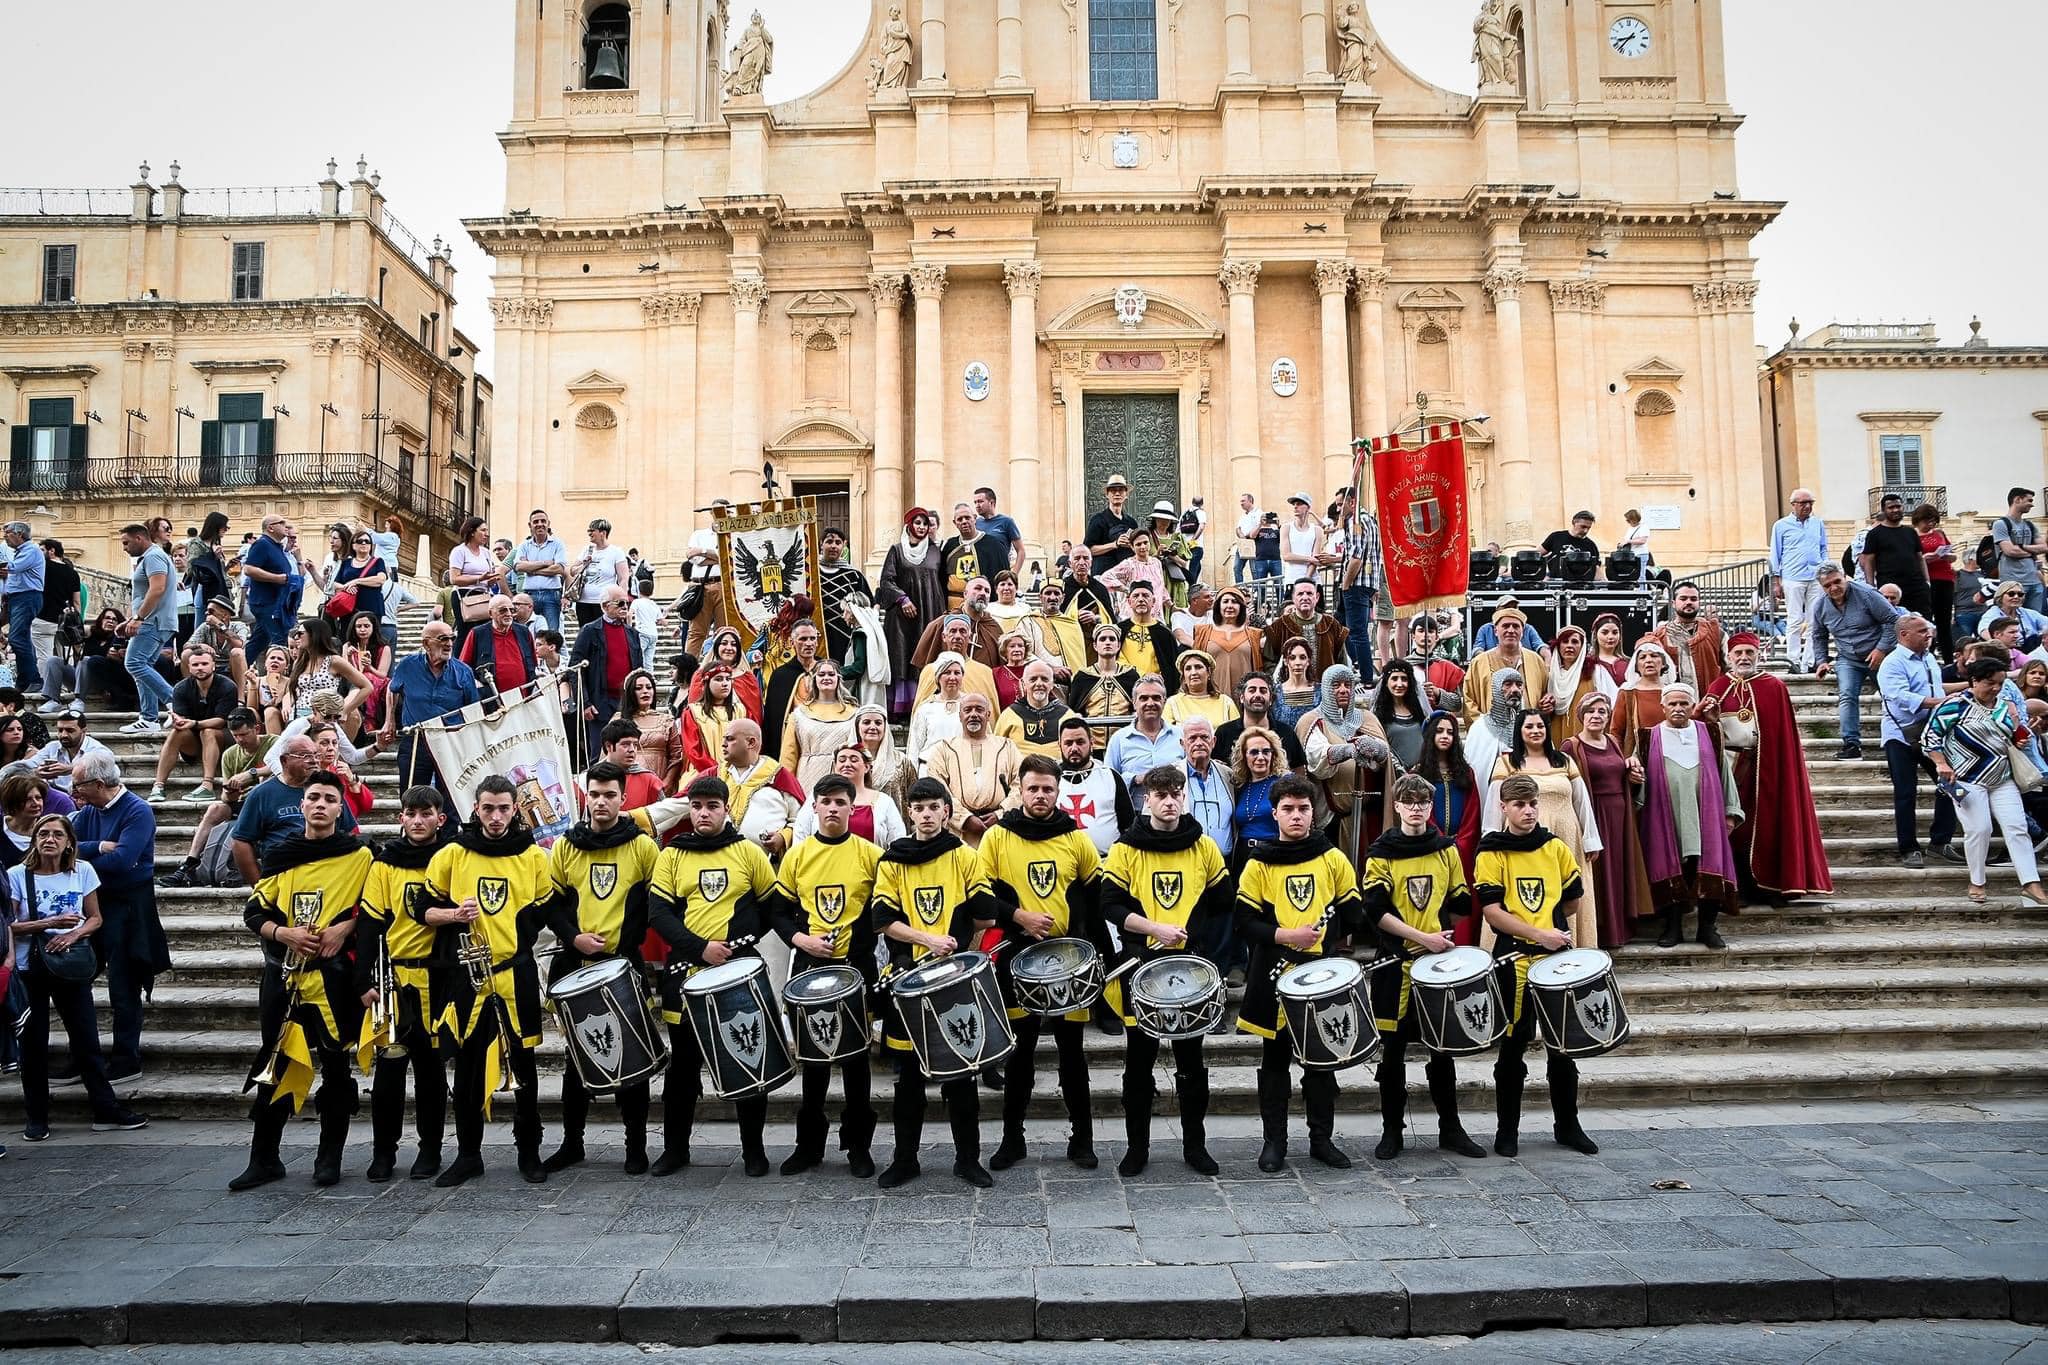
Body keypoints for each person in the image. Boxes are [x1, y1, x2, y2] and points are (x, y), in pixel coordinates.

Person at [229, 772, 371, 1190]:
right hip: (286, 976)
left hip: (334, 980)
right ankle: (264, 1158)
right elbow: (255, 913)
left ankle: (330, 1159)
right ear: (304, 804)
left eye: (330, 798)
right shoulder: (280, 856)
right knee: (273, 1064)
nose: (322, 804)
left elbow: (377, 907)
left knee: (335, 1067)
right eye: (314, 797)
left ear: (341, 807)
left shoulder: (361, 857)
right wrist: (284, 933)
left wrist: (344, 929)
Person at [418, 775, 555, 1187]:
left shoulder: (532, 855)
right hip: (467, 975)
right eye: (488, 808)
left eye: (504, 808)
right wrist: (453, 916)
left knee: (525, 1067)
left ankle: (529, 1153)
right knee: (468, 1067)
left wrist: (516, 937)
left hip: (515, 973)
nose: (496, 817)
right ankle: (468, 1155)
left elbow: (544, 909)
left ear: (515, 810)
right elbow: (423, 907)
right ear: (475, 809)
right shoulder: (453, 852)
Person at [1099, 765, 1232, 1176]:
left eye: (1176, 793)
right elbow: (1110, 905)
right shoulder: (1126, 849)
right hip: (1142, 967)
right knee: (1139, 1065)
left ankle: (1195, 1146)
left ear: (1184, 797)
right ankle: (1136, 1148)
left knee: (1191, 1064)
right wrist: (1154, 928)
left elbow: (1223, 901)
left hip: (1189, 968)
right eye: (1161, 795)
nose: (1170, 801)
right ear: (1147, 800)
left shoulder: (1204, 847)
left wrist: (1197, 941)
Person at [977, 755, 1107, 1171]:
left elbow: (1095, 895)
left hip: (1068, 961)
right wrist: (1018, 917)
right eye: (1033, 788)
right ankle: (1012, 1139)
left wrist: (1084, 943)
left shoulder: (1075, 838)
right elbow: (979, 897)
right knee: (1021, 1053)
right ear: (1020, 788)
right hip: (1017, 957)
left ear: (1057, 790)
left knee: (1073, 1054)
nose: (1040, 795)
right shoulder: (998, 837)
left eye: (1048, 789)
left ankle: (1082, 1139)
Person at [871, 777, 1002, 1188]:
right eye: (919, 807)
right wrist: (927, 938)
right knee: (908, 1079)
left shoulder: (964, 857)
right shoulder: (892, 860)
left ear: (947, 811)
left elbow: (985, 914)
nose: (926, 815)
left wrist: (960, 931)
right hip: (907, 977)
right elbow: (882, 921)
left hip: (952, 981)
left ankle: (968, 1159)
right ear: (909, 812)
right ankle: (905, 1159)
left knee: (962, 1074)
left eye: (934, 807)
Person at [1233, 773, 1366, 1172]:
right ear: (1274, 814)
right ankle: (1274, 1143)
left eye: (1303, 809)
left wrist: (1327, 934)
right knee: (1274, 1065)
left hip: (1321, 974)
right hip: (1272, 975)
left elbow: (1353, 912)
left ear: (1313, 813)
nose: (1296, 816)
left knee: (1321, 1064)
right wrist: (1287, 934)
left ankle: (1321, 1140)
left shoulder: (1332, 857)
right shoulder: (1258, 863)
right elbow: (1243, 922)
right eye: (1288, 809)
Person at [538, 761, 661, 1176]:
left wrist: (626, 945)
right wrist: (573, 938)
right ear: (585, 796)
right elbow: (552, 904)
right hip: (574, 963)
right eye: (595, 794)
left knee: (634, 1061)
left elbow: (655, 905)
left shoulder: (643, 846)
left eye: (610, 794)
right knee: (576, 1061)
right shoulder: (566, 846)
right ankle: (573, 1143)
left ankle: (636, 1146)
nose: (602, 801)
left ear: (623, 798)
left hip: (623, 966)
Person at [765, 772, 882, 1177]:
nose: (833, 808)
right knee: (813, 1063)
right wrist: (802, 940)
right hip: (810, 968)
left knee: (856, 1064)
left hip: (856, 971)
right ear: (813, 806)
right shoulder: (797, 855)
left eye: (840, 801)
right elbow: (777, 912)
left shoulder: (870, 855)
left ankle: (858, 1147)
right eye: (825, 801)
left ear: (853, 807)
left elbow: (883, 911)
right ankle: (808, 1147)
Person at [1475, 773, 1598, 1158]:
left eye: (1532, 805)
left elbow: (1573, 902)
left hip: (1555, 963)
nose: (1528, 811)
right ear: (1504, 807)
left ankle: (1568, 1126)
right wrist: (1538, 932)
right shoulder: (1491, 852)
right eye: (1519, 805)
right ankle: (1506, 1130)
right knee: (1512, 1048)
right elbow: (1493, 912)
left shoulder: (1555, 848)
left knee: (1563, 1046)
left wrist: (1550, 933)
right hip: (1513, 961)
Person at [1363, 773, 1484, 1162]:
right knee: (1392, 1053)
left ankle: (1451, 1129)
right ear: (1397, 806)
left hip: (1437, 965)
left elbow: (1461, 899)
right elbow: (1376, 912)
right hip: (1395, 964)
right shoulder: (1380, 852)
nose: (1416, 808)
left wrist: (1464, 899)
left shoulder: (1445, 849)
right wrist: (1422, 935)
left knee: (1442, 1049)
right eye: (1409, 802)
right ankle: (1391, 1132)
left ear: (1430, 808)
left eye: (1423, 803)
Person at [9, 813, 149, 1142]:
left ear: (69, 841)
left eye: (57, 834)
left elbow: (95, 917)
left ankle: (105, 1109)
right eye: (43, 833)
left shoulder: (82, 871)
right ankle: (36, 1116)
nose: (50, 840)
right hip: (31, 968)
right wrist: (48, 923)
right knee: (33, 1044)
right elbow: (9, 925)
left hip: (71, 965)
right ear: (34, 839)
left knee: (86, 1040)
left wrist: (73, 934)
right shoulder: (18, 875)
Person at [353, 784, 454, 1182]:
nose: (418, 821)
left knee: (432, 1073)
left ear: (440, 819)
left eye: (426, 814)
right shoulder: (384, 864)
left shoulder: (451, 859)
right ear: (401, 818)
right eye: (410, 814)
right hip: (395, 981)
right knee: (389, 1074)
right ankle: (384, 1152)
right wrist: (364, 978)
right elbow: (370, 925)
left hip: (436, 980)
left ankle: (430, 1149)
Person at [1706, 632, 1834, 900]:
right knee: (1731, 827)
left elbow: (1782, 737)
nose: (1743, 658)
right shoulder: (1718, 687)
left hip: (1765, 767)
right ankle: (1732, 885)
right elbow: (1706, 731)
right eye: (1738, 653)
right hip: (1728, 771)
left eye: (1748, 653)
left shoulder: (1773, 687)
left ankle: (1768, 886)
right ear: (1729, 657)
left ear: (1758, 655)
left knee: (1765, 826)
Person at [68, 751, 170, 1086]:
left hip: (129, 907)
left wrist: (82, 859)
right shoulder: (90, 811)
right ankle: (81, 1055)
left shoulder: (136, 810)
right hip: (99, 903)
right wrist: (99, 846)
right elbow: (67, 846)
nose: (74, 791)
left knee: (123, 985)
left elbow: (124, 860)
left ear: (98, 783)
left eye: (79, 784)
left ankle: (127, 1057)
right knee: (76, 978)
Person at [1925, 658, 2048, 904]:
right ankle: (1977, 881)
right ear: (1974, 680)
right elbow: (1930, 737)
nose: (1995, 688)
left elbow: (2012, 738)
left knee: (2017, 828)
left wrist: (2020, 740)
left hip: (2002, 777)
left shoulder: (2004, 706)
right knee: (1979, 829)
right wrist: (1941, 764)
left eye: (2000, 683)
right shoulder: (1953, 705)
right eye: (1990, 683)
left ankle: (2031, 883)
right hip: (1966, 778)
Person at [1480, 709, 1603, 950]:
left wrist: (1591, 840)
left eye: (1540, 726)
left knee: (1567, 893)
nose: (1536, 731)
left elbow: (1581, 801)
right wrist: (1490, 839)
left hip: (1566, 838)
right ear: (1520, 731)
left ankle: (1571, 949)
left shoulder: (1564, 761)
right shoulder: (1506, 763)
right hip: (1518, 844)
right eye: (1529, 727)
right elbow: (1495, 804)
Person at [1636, 683, 1742, 949]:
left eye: (1684, 703)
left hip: (1707, 815)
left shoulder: (1710, 733)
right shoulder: (1648, 737)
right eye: (1672, 704)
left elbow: (1724, 774)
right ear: (1663, 707)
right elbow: (1638, 777)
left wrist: (1730, 812)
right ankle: (1673, 928)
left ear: (1692, 706)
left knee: (1710, 867)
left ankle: (1708, 928)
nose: (1678, 709)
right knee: (1670, 867)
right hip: (1664, 816)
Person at [1561, 694, 1652, 945]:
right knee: (1598, 874)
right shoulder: (1571, 746)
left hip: (1620, 816)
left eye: (1602, 711)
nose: (1596, 716)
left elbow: (1622, 776)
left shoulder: (1613, 741)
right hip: (1593, 815)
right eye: (1591, 711)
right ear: (1581, 715)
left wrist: (1633, 774)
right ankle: (1598, 931)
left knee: (1618, 871)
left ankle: (1619, 929)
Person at [1813, 562, 1901, 760]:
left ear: (1844, 577)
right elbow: (1818, 635)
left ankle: (1904, 738)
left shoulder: (1868, 594)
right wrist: (1821, 661)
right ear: (1822, 586)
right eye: (1828, 585)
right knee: (1846, 695)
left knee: (1894, 696)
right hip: (1848, 658)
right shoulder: (1820, 606)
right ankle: (1851, 745)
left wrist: (1881, 649)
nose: (1834, 588)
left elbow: (1892, 620)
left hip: (1879, 654)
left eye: (1837, 581)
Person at [381, 623, 481, 794]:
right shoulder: (408, 665)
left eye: (452, 638)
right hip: (416, 740)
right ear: (426, 644)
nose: (449, 644)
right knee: (412, 795)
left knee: (451, 799)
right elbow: (392, 688)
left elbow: (474, 711)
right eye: (443, 639)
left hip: (451, 741)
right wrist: (389, 720)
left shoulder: (464, 672)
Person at [1301, 663, 1389, 857]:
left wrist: (1375, 748)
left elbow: (1386, 759)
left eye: (1347, 685)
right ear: (1325, 688)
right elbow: (1317, 758)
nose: (1343, 690)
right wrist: (1348, 750)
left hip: (1371, 814)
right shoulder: (1312, 721)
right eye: (1336, 685)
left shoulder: (1367, 719)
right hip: (1332, 818)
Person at [146, 646, 239, 804]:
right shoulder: (181, 688)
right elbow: (182, 719)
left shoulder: (227, 686)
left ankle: (207, 785)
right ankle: (158, 786)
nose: (200, 668)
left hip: (223, 740)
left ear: (213, 665)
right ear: (189, 667)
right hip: (194, 743)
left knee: (208, 731)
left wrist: (195, 723)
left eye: (204, 663)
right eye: (195, 665)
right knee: (176, 733)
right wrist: (179, 721)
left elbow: (222, 720)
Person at [925, 693, 1020, 848]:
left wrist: (1001, 814)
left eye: (979, 710)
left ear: (988, 715)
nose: (973, 714)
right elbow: (938, 789)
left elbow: (1021, 785)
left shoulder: (1007, 746)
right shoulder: (943, 749)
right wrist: (965, 819)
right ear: (960, 716)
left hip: (1001, 828)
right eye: (968, 710)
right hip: (956, 831)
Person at [876, 509, 945, 719]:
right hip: (901, 617)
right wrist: (902, 599)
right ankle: (900, 709)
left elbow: (942, 581)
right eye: (918, 522)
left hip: (929, 611)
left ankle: (922, 703)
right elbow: (887, 580)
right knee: (902, 655)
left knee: (924, 654)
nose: (922, 527)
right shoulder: (896, 551)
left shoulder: (935, 552)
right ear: (909, 525)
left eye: (925, 523)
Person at [114, 523, 180, 734]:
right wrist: (132, 618)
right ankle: (149, 718)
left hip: (153, 621)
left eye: (126, 542)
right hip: (155, 620)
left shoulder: (153, 556)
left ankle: (175, 703)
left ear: (139, 538)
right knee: (143, 666)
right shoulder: (153, 557)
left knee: (133, 662)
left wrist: (139, 618)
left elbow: (157, 588)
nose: (124, 548)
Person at [1419, 712, 1482, 887]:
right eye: (1439, 731)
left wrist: (1460, 842)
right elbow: (1421, 812)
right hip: (1430, 846)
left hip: (1462, 846)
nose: (1445, 736)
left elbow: (1472, 811)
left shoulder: (1466, 773)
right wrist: (1439, 839)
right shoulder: (1418, 775)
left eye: (1450, 732)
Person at [1057, 715, 1133, 857]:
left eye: (1080, 742)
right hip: (1064, 861)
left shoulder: (1110, 776)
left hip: (1107, 862)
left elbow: (1127, 825)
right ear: (1059, 745)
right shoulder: (1051, 780)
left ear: (1092, 743)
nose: (1074, 748)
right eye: (1068, 743)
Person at [1459, 608, 1549, 729]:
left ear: (1522, 631)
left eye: (1516, 626)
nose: (1511, 630)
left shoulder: (1536, 660)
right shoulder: (1479, 663)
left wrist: (1546, 703)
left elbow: (1545, 693)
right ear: (1496, 631)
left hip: (1529, 735)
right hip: (1491, 736)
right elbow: (1469, 701)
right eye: (1505, 626)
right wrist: (1485, 730)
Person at [780, 655, 859, 791]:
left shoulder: (854, 713)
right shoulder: (799, 714)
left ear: (838, 679)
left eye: (831, 674)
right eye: (821, 674)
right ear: (814, 679)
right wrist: (787, 789)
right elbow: (788, 756)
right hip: (808, 775)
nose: (826, 678)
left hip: (844, 774)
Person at [1769, 489, 1829, 669]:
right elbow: (1775, 554)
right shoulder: (1781, 525)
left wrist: (1825, 568)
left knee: (1814, 622)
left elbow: (1823, 547)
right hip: (1792, 577)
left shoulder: (1818, 523)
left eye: (1810, 502)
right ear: (1793, 504)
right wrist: (1775, 581)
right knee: (1794, 620)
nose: (1807, 506)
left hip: (1815, 577)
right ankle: (1793, 660)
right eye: (1803, 503)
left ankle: (1809, 661)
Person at [1106, 674, 1184, 802]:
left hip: (1174, 813)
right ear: (1134, 702)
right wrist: (1135, 779)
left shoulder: (1180, 735)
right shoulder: (1119, 739)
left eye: (1156, 698)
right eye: (1143, 698)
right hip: (1134, 816)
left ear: (1164, 701)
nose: (1150, 703)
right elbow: (1108, 781)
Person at [1068, 624, 1137, 752]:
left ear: (1118, 645)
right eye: (1102, 639)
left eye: (1112, 639)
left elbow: (1137, 709)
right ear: (1095, 645)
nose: (1107, 642)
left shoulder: (1130, 675)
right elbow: (1073, 710)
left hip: (1124, 745)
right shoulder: (1083, 677)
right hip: (1092, 746)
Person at [1264, 578, 1349, 679]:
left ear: (1317, 597)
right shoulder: (1278, 626)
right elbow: (1269, 661)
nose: (1305, 597)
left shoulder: (1331, 624)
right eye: (1300, 594)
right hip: (1290, 690)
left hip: (1325, 688)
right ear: (1293, 598)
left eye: (1309, 593)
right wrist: (1282, 682)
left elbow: (1342, 661)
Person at [460, 595, 540, 700]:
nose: (508, 614)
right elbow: (463, 667)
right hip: (492, 700)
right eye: (502, 610)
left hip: (524, 698)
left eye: (512, 610)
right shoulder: (478, 634)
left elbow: (534, 662)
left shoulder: (523, 631)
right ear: (490, 613)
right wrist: (477, 684)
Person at [996, 659, 1075, 762]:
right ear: (1024, 684)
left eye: (1044, 679)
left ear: (1052, 684)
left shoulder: (1068, 715)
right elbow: (997, 751)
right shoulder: (1008, 715)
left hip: (1058, 775)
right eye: (1033, 679)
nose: (1039, 683)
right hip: (1020, 775)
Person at [0, 521, 46, 699]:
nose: (5, 536)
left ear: (20, 534)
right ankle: (25, 680)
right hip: (16, 598)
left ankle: (33, 679)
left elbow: (11, 568)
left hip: (27, 597)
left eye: (8, 532)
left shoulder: (31, 550)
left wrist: (5, 569)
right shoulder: (19, 552)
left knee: (17, 638)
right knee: (22, 638)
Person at [1195, 586, 1262, 700]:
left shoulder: (1254, 634)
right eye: (1225, 601)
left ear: (1241, 606)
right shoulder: (1202, 632)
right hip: (1211, 697)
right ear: (1218, 606)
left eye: (1235, 602)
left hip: (1245, 698)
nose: (1230, 605)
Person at [1463, 667, 1526, 785]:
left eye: (1519, 685)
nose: (1515, 690)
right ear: (1496, 689)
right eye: (1508, 684)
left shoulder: (1528, 724)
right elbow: (1476, 770)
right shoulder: (1480, 728)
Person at [512, 508, 569, 633]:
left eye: (543, 521)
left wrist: (531, 569)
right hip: (529, 595)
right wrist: (545, 563)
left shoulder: (558, 544)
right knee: (527, 632)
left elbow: (559, 568)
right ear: (530, 525)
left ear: (548, 523)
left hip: (551, 595)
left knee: (551, 633)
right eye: (536, 521)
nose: (539, 524)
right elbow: (518, 567)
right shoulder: (524, 546)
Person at [569, 518, 631, 628]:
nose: (589, 533)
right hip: (583, 602)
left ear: (603, 533)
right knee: (586, 634)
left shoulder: (616, 552)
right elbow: (572, 570)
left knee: (604, 635)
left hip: (605, 603)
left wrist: (621, 601)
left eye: (592, 530)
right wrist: (583, 565)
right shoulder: (586, 550)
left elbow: (623, 578)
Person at [1164, 650, 1238, 730]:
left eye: (1198, 667)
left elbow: (1236, 733)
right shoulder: (1172, 703)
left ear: (1209, 672)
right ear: (1183, 677)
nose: (1193, 672)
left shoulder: (1226, 702)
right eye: (1188, 669)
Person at [1083, 473, 1140, 577]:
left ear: (1126, 494)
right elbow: (1088, 550)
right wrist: (1115, 544)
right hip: (1103, 574)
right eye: (1113, 490)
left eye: (1121, 490)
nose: (1117, 493)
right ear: (1107, 495)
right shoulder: (1097, 520)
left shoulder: (1131, 522)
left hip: (1126, 575)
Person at [1280, 492, 1336, 586]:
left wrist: (1306, 578)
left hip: (1313, 580)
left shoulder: (1317, 530)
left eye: (1299, 504)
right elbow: (1286, 556)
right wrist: (1310, 559)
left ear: (1308, 507)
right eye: (1294, 504)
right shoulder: (1286, 528)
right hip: (1292, 580)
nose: (1295, 507)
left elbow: (1315, 557)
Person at [1060, 544, 1116, 629]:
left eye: (1086, 558)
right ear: (1070, 564)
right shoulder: (1062, 588)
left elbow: (1111, 620)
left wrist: (1096, 618)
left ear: (1091, 563)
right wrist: (1074, 615)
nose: (1082, 562)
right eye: (1077, 558)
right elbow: (1055, 617)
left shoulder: (1100, 588)